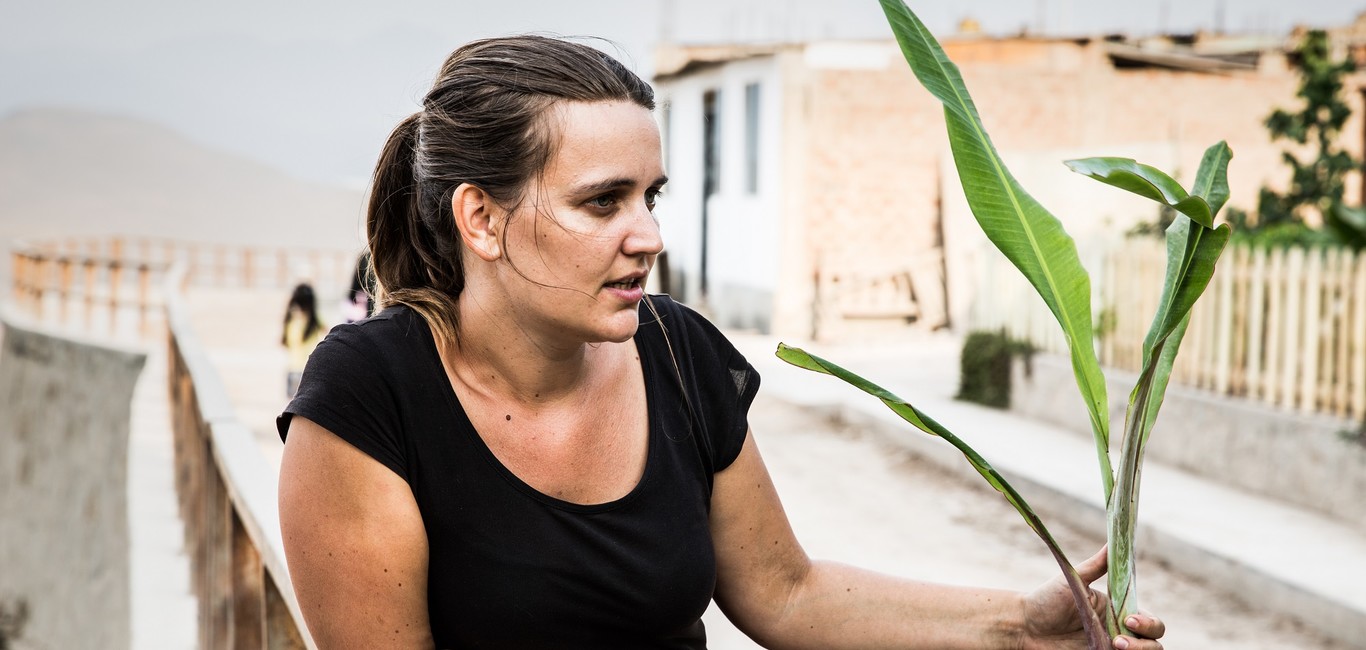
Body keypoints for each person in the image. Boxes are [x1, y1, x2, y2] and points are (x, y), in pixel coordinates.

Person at [276, 35, 1165, 649]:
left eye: (650, 197)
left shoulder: (679, 356)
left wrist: (1020, 625)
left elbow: (787, 593)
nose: (648, 235)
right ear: (481, 217)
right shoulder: (371, 395)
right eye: (602, 201)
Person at [281, 282, 326, 398]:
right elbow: (327, 331)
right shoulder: (313, 321)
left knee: (291, 404)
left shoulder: (290, 321)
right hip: (307, 370)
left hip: (293, 368)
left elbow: (284, 342)